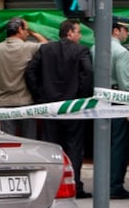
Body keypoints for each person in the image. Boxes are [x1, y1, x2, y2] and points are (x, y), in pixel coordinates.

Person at [25, 19, 93, 199]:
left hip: (50, 107)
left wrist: (39, 95)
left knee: (52, 148)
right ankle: (74, 185)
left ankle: (51, 186)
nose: (80, 36)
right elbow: (87, 75)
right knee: (74, 147)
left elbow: (30, 71)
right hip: (73, 108)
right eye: (78, 32)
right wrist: (81, 99)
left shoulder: (45, 50)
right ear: (70, 33)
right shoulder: (82, 51)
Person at [90, 15, 129, 199]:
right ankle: (115, 186)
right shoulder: (122, 52)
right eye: (126, 30)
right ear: (116, 30)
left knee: (102, 143)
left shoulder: (94, 48)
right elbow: (125, 82)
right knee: (118, 144)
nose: (128, 33)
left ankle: (101, 184)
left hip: (99, 99)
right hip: (117, 99)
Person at [0, 17, 47, 139]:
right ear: (19, 30)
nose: (27, 33)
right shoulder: (28, 47)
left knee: (9, 141)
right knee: (29, 140)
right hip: (25, 102)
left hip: (4, 102)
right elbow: (47, 46)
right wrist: (35, 32)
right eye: (26, 30)